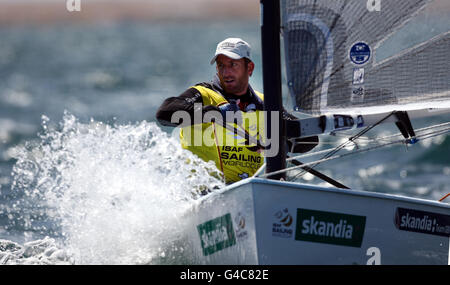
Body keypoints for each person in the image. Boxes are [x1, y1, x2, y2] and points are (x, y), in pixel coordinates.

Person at [156, 38, 317, 184]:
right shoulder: (203, 93)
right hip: (202, 192)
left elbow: (310, 138)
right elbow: (164, 113)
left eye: (233, 65)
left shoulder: (264, 104)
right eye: (221, 66)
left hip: (251, 191)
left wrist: (275, 140)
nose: (226, 73)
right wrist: (214, 114)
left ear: (250, 68)